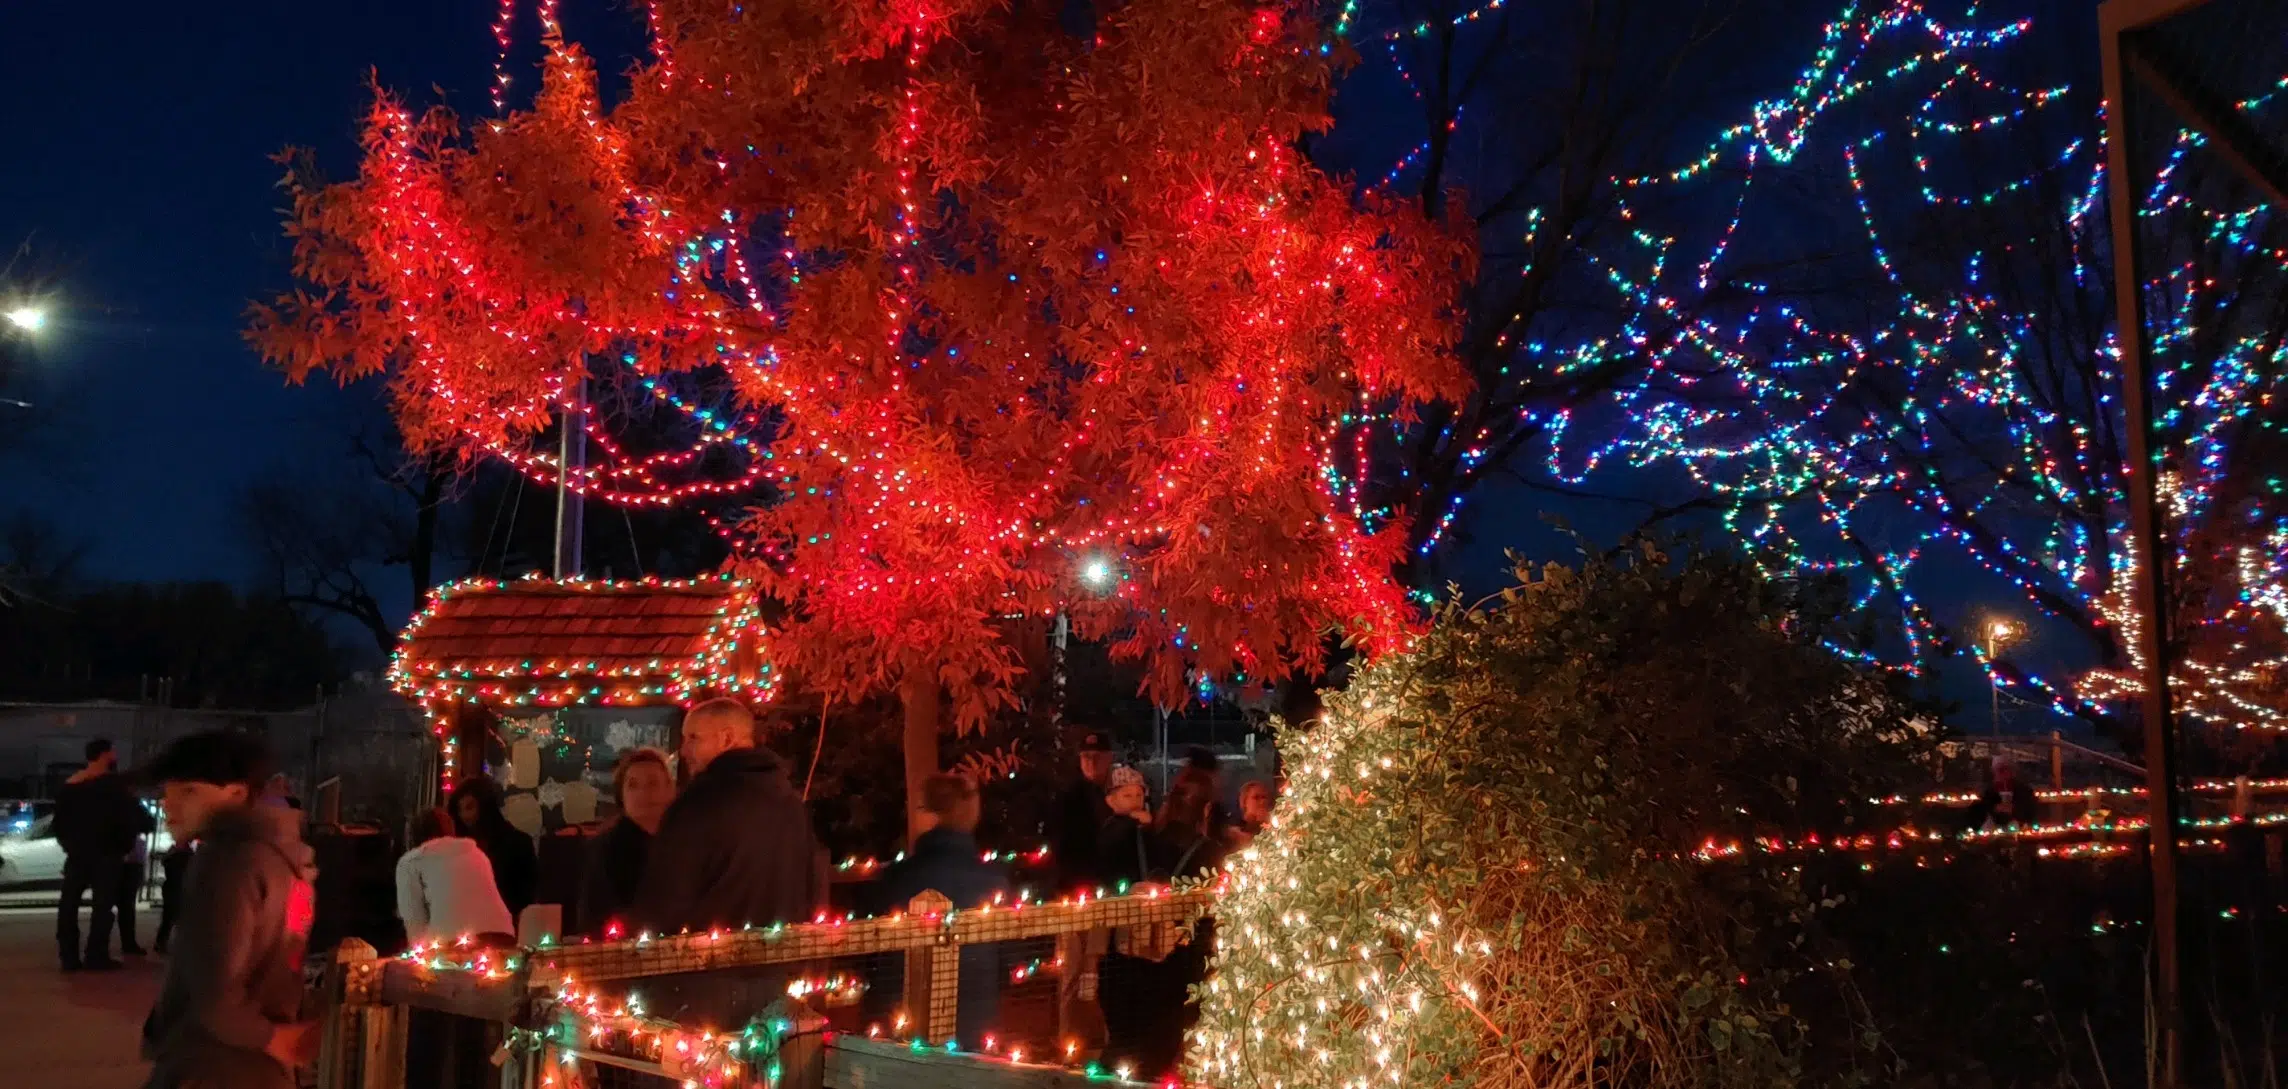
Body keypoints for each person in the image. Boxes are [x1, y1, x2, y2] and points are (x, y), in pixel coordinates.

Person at [140, 729, 319, 1089]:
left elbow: (215, 992)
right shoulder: (286, 858)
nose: (167, 803)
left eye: (189, 790)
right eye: (166, 790)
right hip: (260, 1064)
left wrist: (268, 1037)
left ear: (237, 793)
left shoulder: (227, 860)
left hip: (211, 1063)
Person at [635, 699, 827, 1027]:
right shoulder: (790, 805)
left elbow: (667, 896)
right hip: (777, 976)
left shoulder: (699, 804)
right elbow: (812, 884)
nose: (684, 751)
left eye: (694, 738)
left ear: (726, 739)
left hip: (702, 980)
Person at [867, 773, 1013, 1049]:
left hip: (902, 1027)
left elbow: (873, 959)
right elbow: (1007, 961)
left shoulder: (897, 879)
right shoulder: (993, 881)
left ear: (928, 813)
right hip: (974, 1024)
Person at [54, 738, 154, 971]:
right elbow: (136, 820)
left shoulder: (70, 786)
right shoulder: (114, 787)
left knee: (68, 904)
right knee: (102, 907)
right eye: (113, 752)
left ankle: (68, 957)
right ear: (106, 755)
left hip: (77, 855)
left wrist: (70, 846)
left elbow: (59, 825)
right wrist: (124, 844)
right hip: (108, 855)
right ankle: (96, 955)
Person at [576, 747, 676, 937]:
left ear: (670, 789)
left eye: (653, 783)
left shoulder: (686, 842)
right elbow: (592, 919)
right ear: (621, 795)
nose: (643, 792)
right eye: (632, 785)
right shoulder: (605, 850)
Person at [396, 807, 516, 946]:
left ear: (411, 835)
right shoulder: (477, 854)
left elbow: (414, 924)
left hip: (451, 945)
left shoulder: (410, 862)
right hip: (504, 938)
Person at [450, 777, 537, 922]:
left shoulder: (517, 843)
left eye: (470, 807)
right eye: (460, 810)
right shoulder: (458, 848)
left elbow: (526, 894)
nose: (464, 816)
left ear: (485, 807)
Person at [1051, 730, 1116, 890]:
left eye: (1098, 757)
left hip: (1118, 876)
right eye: (1086, 757)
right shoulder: (1069, 796)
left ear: (1110, 758)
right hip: (1080, 881)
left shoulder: (1126, 791)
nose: (1092, 762)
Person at [1095, 765, 1153, 888]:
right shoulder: (1112, 827)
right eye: (1127, 796)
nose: (1135, 800)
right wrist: (1131, 822)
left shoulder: (1145, 825)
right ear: (1111, 801)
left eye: (1139, 795)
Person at [1968, 758, 2041, 831]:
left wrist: (2014, 810)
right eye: (2000, 770)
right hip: (1994, 830)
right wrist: (1994, 808)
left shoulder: (2024, 790)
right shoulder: (1988, 791)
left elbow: (2031, 811)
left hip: (2020, 829)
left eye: (2006, 769)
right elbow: (1980, 810)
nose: (2004, 773)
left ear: (2013, 772)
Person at [155, 841, 193, 955]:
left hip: (172, 887)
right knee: (174, 917)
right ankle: (164, 942)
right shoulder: (187, 854)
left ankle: (162, 942)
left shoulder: (173, 853)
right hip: (178, 888)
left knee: (169, 917)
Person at [1226, 779, 1275, 849]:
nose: (1262, 802)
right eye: (1256, 797)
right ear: (1245, 801)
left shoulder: (1275, 826)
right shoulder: (1234, 829)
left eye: (1264, 797)